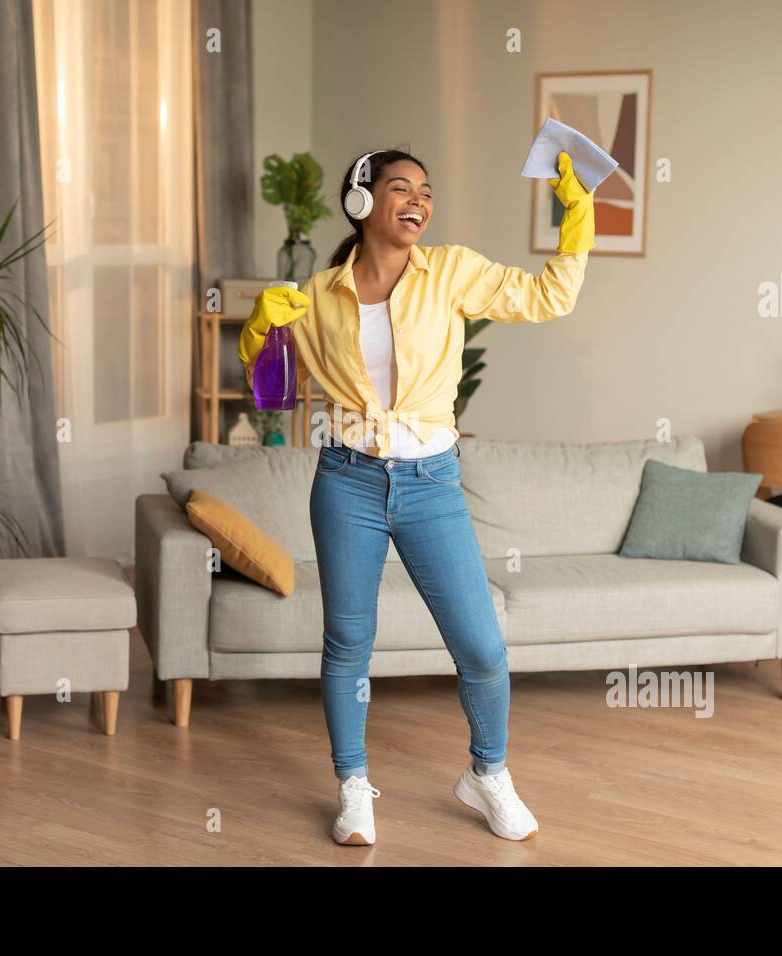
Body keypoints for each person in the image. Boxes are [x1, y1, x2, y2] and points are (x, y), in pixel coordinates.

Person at [238, 147, 595, 845]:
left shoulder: (453, 271)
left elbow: (550, 295)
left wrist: (575, 215)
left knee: (482, 647)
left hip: (432, 484)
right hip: (347, 481)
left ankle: (487, 775)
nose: (419, 202)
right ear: (361, 202)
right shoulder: (315, 294)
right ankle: (353, 790)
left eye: (427, 192)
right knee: (348, 643)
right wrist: (259, 330)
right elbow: (271, 393)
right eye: (402, 187)